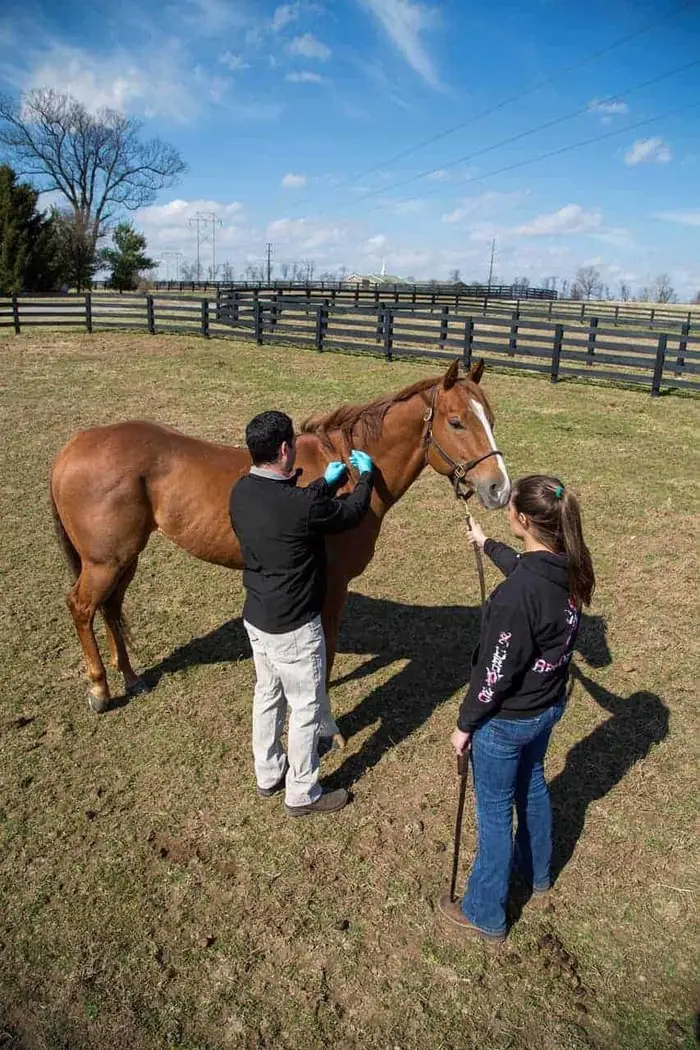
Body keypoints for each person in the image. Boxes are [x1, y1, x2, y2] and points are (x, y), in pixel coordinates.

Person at [438, 475, 595, 942]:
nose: (505, 512)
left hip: (508, 722)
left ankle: (485, 910)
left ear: (523, 520)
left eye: (510, 509)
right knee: (532, 783)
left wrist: (465, 726)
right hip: (548, 707)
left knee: (493, 811)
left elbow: (493, 676)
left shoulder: (514, 599)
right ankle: (538, 871)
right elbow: (527, 568)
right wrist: (487, 544)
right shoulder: (569, 566)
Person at [229, 410, 374, 817]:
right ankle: (302, 792)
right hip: (294, 626)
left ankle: (268, 772)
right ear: (284, 448)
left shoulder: (240, 491)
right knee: (307, 707)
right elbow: (351, 514)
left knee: (267, 694)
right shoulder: (299, 508)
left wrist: (325, 483)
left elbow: (292, 502)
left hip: (256, 617)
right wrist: (368, 479)